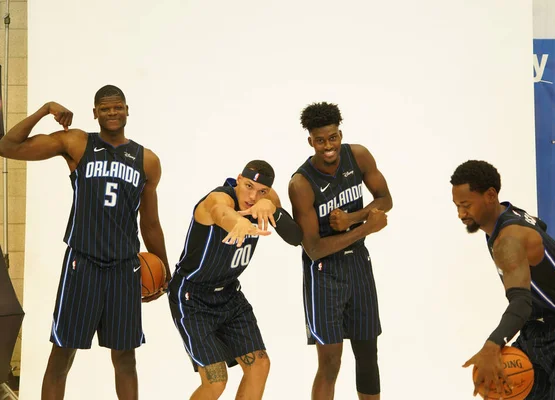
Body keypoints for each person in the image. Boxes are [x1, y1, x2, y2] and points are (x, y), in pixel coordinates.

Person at [0, 85, 171, 400]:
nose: (111, 113)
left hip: (125, 268)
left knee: (126, 358)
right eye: (104, 108)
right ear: (95, 113)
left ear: (127, 109)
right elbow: (8, 146)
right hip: (83, 264)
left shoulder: (147, 160)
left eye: (117, 107)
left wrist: (164, 271)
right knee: (62, 354)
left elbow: (150, 222)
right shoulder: (78, 143)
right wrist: (44, 108)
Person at [451, 160, 555, 400]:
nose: (460, 214)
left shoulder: (508, 239)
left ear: (490, 195)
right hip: (536, 330)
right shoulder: (506, 215)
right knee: (501, 390)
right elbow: (540, 224)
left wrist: (492, 345)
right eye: (457, 206)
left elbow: (521, 301)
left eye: (466, 205)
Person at [168, 160, 303, 400]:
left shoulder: (267, 201)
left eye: (261, 191)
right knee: (216, 380)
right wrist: (238, 222)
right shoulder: (218, 199)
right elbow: (222, 212)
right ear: (238, 179)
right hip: (192, 296)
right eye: (248, 186)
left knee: (259, 365)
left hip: (229, 294)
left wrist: (273, 208)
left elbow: (295, 238)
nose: (252, 196)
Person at [288, 102, 393, 400]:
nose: (328, 146)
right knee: (331, 362)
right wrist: (364, 229)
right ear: (310, 141)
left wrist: (352, 218)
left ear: (340, 134)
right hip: (324, 274)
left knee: (367, 353)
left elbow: (385, 199)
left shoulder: (358, 156)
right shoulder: (301, 184)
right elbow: (314, 249)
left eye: (333, 137)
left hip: (358, 263)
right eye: (320, 140)